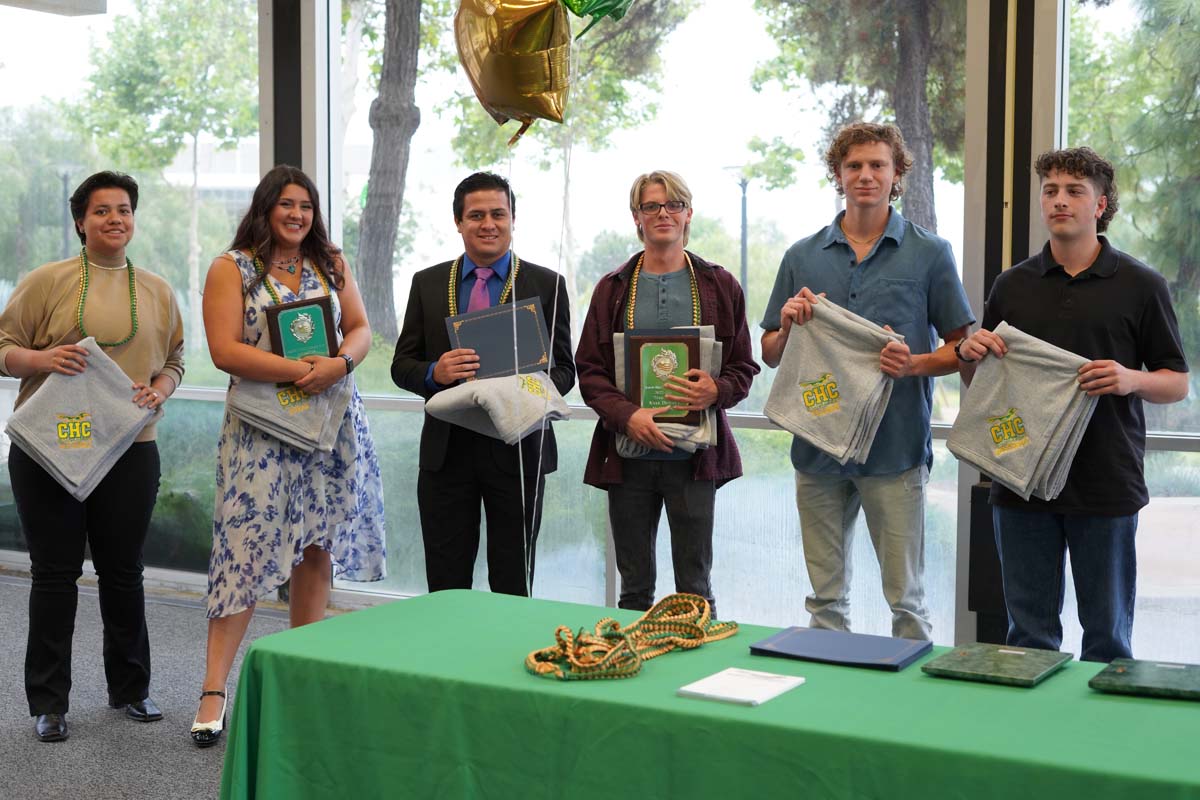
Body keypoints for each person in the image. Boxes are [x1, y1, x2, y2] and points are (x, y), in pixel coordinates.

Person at [956, 147, 1188, 662]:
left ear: (1101, 204)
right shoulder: (1012, 285)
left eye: (1074, 191)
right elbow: (984, 384)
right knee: (1028, 640)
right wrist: (969, 355)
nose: (1060, 201)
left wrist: (1129, 379)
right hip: (1019, 477)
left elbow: (1176, 383)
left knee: (1107, 641)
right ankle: (1029, 740)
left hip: (1106, 481)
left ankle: (1100, 741)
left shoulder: (1141, 285)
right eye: (1051, 191)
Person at [191, 165, 386, 747]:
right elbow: (224, 350)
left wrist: (340, 365)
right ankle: (212, 690)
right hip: (261, 432)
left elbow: (360, 328)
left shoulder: (331, 262)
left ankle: (303, 672)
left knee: (317, 543)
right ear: (265, 207)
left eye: (305, 204)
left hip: (332, 426)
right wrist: (303, 371)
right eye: (286, 204)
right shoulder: (233, 268)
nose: (297, 214)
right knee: (243, 550)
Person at [760, 122, 974, 641]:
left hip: (894, 452)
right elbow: (768, 354)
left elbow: (964, 350)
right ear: (838, 174)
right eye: (854, 165)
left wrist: (914, 365)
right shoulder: (801, 256)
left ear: (896, 173)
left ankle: (907, 720)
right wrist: (786, 326)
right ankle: (832, 710)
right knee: (825, 603)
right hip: (816, 452)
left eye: (877, 165)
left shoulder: (930, 254)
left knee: (907, 602)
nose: (865, 175)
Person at [0, 171, 184, 742]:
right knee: (54, 574)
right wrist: (43, 360)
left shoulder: (156, 288)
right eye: (101, 211)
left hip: (131, 448)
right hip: (52, 446)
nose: (114, 220)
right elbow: (3, 351)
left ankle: (131, 688)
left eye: (124, 209)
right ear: (80, 221)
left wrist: (162, 389)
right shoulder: (46, 281)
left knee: (122, 572)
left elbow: (175, 360)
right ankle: (49, 702)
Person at [575, 170, 759, 618]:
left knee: (695, 588)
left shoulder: (720, 284)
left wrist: (717, 388)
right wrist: (627, 415)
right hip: (629, 455)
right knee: (634, 589)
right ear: (636, 218)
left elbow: (744, 367)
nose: (663, 213)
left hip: (694, 461)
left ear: (688, 214)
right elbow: (590, 370)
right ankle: (628, 676)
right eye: (651, 206)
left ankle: (700, 678)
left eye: (673, 205)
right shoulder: (612, 288)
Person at [391, 171, 574, 596]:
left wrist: (523, 388)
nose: (488, 223)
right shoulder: (428, 283)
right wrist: (433, 372)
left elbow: (565, 371)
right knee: (446, 579)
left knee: (513, 582)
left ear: (513, 220)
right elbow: (402, 364)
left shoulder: (548, 285)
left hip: (520, 453)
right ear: (458, 222)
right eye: (476, 215)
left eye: (498, 213)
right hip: (447, 453)